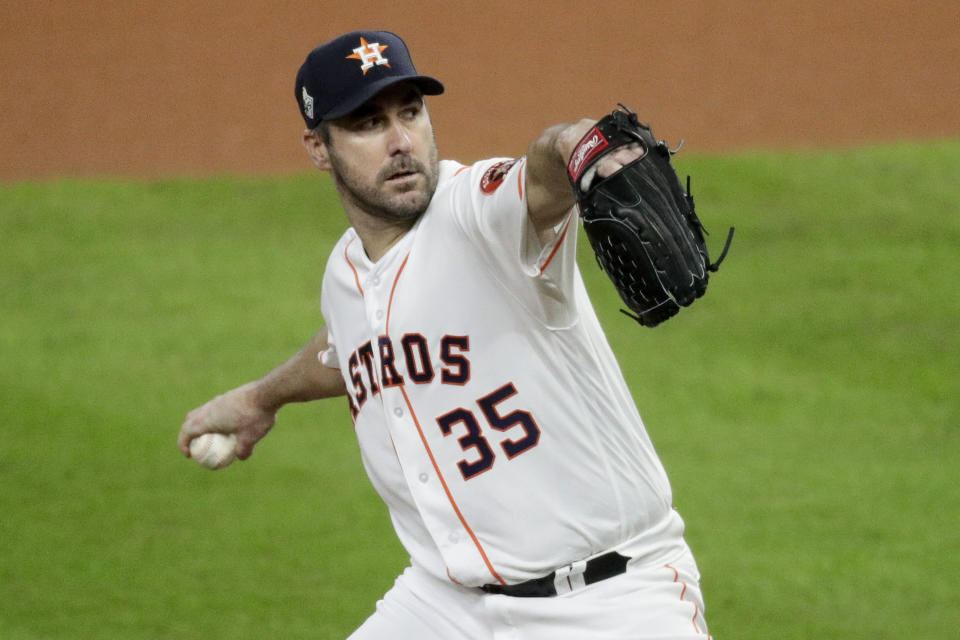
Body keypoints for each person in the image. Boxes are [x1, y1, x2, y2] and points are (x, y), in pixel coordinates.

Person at [178, 30, 711, 639]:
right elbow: (353, 348)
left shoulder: (477, 213)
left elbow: (540, 172)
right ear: (319, 148)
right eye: (367, 123)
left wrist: (577, 144)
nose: (401, 141)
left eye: (410, 112)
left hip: (607, 601)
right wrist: (259, 398)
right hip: (447, 605)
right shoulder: (347, 274)